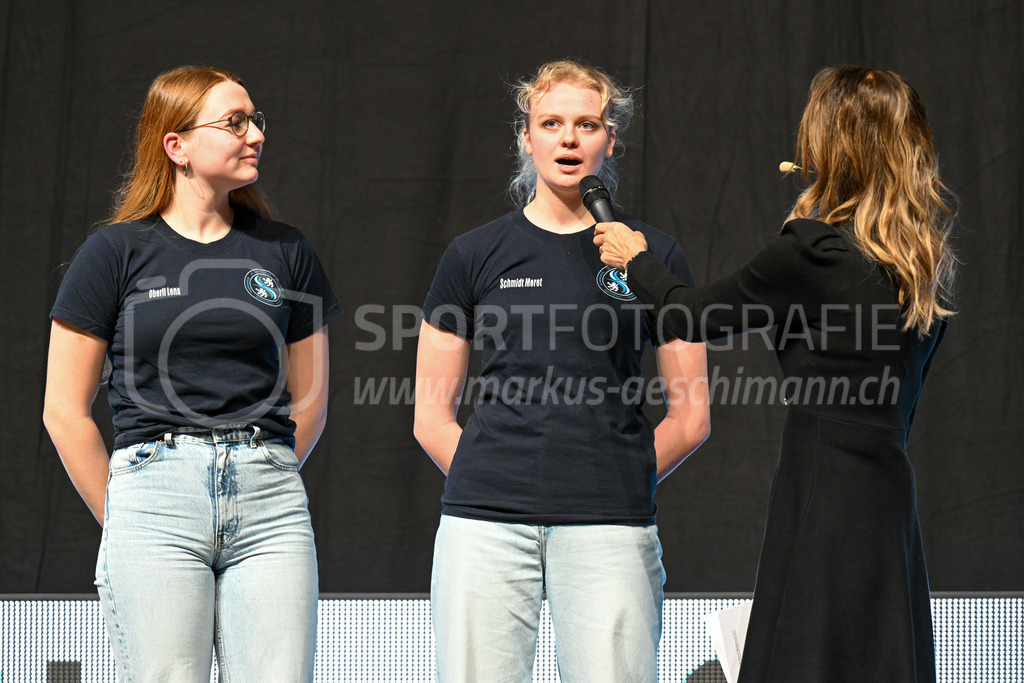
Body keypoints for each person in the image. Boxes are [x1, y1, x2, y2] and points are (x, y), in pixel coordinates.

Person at [595, 66, 957, 682]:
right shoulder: (920, 265)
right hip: (887, 493)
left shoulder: (812, 252)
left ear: (831, 144)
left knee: (807, 652)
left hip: (823, 490)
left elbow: (690, 315)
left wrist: (637, 261)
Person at [414, 58, 711, 682]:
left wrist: (617, 476)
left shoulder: (654, 256)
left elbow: (691, 417)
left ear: (611, 140)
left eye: (587, 124)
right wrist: (499, 478)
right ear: (527, 137)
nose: (568, 138)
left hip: (611, 527)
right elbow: (430, 418)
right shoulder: (472, 255)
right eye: (551, 122)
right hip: (486, 528)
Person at [42, 66, 342, 682]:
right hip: (154, 498)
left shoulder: (285, 251)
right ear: (175, 145)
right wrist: (129, 510)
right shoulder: (115, 253)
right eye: (235, 122)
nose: (255, 133)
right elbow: (64, 411)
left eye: (256, 119)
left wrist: (267, 470)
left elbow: (309, 398)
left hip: (269, 503)